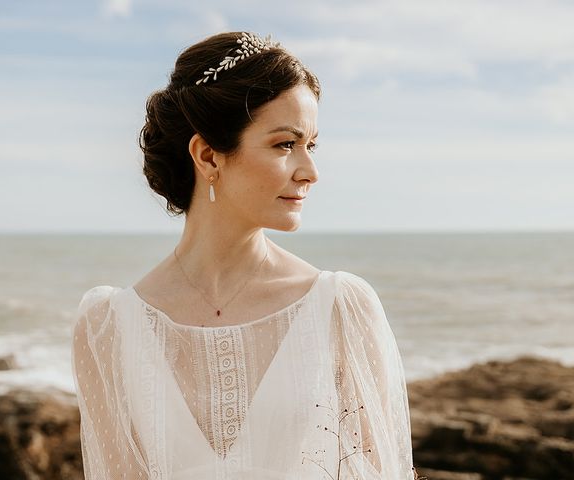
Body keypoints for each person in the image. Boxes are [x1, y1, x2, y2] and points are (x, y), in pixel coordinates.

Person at [71, 31, 414, 479]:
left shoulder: (341, 309)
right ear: (209, 156)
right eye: (284, 144)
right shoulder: (107, 327)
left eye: (311, 145)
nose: (310, 171)